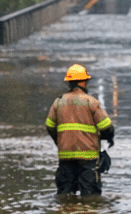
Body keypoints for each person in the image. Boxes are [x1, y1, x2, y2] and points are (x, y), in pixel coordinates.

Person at [44, 63, 114, 196]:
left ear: (69, 83)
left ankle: (66, 209)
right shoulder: (90, 102)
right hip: (88, 156)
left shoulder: (58, 102)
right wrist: (108, 139)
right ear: (82, 82)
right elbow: (106, 126)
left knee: (65, 194)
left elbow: (49, 126)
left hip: (65, 154)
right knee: (90, 194)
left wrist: (60, 142)